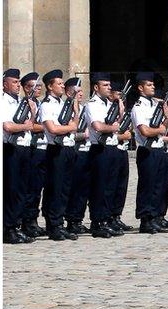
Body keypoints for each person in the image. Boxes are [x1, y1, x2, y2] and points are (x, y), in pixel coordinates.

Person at [130, 72, 168, 234]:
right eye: (149, 85)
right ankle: (145, 219)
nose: (153, 87)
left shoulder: (155, 105)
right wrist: (161, 129)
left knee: (160, 185)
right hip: (147, 150)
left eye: (153, 84)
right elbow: (144, 130)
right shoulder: (139, 107)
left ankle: (156, 216)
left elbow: (167, 124)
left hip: (160, 149)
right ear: (141, 88)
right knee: (147, 185)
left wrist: (165, 111)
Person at [39, 69, 80, 241]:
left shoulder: (62, 104)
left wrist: (72, 122)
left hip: (68, 149)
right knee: (55, 188)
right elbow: (53, 129)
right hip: (56, 150)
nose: (63, 86)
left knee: (65, 188)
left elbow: (75, 122)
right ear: (50, 86)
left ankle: (59, 222)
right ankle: (53, 224)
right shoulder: (47, 104)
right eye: (59, 83)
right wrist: (70, 127)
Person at [84, 73, 124, 238]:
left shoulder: (109, 103)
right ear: (96, 87)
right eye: (105, 85)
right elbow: (98, 126)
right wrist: (114, 127)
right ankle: (97, 221)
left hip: (112, 147)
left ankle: (106, 219)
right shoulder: (92, 104)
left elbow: (116, 124)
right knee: (99, 187)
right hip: (100, 149)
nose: (109, 88)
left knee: (111, 186)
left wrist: (120, 112)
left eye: (109, 85)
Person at [1, 68, 36, 244]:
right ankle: (8, 228)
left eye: (18, 82)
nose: (17, 85)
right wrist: (26, 126)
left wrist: (33, 111)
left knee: (23, 188)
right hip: (10, 148)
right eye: (14, 82)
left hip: (24, 148)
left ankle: (17, 225)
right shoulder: (4, 101)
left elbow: (30, 123)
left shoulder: (21, 102)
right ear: (4, 84)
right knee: (12, 189)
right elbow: (8, 126)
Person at [20, 71, 48, 238]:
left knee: (38, 187)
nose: (37, 89)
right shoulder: (24, 104)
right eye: (33, 86)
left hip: (42, 148)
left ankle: (33, 220)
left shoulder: (39, 103)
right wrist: (47, 126)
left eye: (39, 86)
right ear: (25, 88)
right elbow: (30, 125)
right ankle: (26, 221)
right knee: (29, 188)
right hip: (31, 149)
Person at [64, 76, 92, 235]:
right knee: (73, 188)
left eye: (81, 91)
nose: (80, 94)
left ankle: (78, 219)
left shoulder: (84, 109)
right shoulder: (66, 109)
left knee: (84, 189)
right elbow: (68, 132)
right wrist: (83, 135)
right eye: (77, 91)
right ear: (69, 93)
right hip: (74, 151)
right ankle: (71, 220)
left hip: (86, 152)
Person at [108, 82, 134, 232]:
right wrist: (121, 135)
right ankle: (108, 216)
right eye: (118, 95)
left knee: (121, 186)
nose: (121, 98)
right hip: (111, 149)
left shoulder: (121, 110)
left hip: (122, 150)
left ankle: (116, 215)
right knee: (110, 185)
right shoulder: (107, 109)